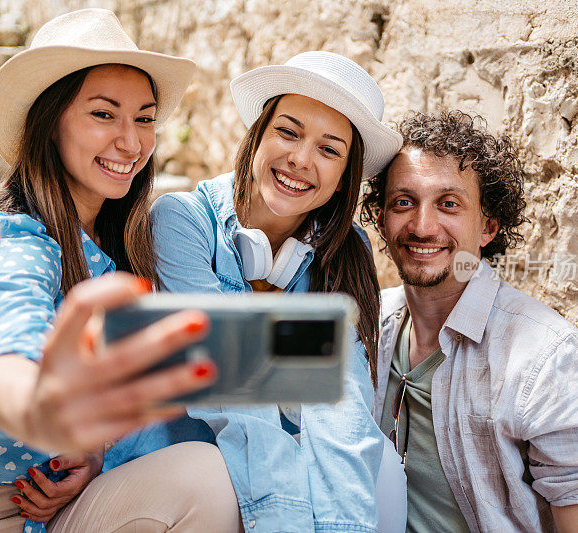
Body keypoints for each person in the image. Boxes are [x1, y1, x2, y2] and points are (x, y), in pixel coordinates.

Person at [0, 9, 241, 533]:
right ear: (48, 125)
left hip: (44, 507)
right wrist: (33, 408)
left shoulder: (124, 252)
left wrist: (90, 452)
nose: (131, 142)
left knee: (207, 475)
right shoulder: (12, 240)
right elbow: (9, 345)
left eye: (143, 117)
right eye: (103, 114)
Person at [149, 51, 407, 532]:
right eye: (288, 132)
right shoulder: (183, 222)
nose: (301, 159)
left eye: (329, 150)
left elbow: (342, 401)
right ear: (258, 135)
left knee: (384, 469)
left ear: (343, 177)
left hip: (281, 459)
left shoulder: (345, 251)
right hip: (194, 464)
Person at [360, 110, 578, 532]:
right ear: (383, 220)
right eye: (403, 202)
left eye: (449, 204)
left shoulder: (549, 361)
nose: (422, 227)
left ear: (488, 226)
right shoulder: (368, 326)